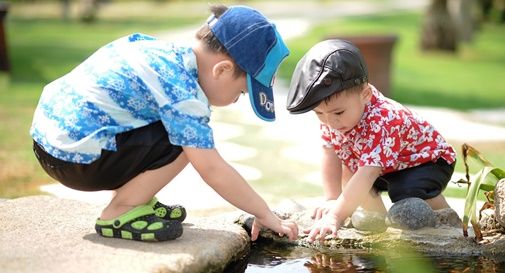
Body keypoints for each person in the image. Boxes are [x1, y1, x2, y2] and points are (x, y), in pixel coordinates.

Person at [30, 4, 298, 242]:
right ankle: (121, 211)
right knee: (188, 142)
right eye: (241, 93)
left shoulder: (162, 53)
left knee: (175, 129)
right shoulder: (183, 92)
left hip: (50, 142)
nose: (236, 100)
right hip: (76, 160)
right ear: (223, 70)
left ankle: (136, 198)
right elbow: (212, 169)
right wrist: (263, 213)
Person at [286, 39, 456, 243]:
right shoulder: (334, 116)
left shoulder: (384, 119)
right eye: (319, 113)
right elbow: (329, 153)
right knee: (350, 174)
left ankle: (446, 219)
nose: (330, 121)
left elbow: (368, 173)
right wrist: (332, 198)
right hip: (386, 166)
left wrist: (335, 216)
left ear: (365, 94)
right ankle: (377, 223)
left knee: (404, 191)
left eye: (338, 112)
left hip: (427, 162)